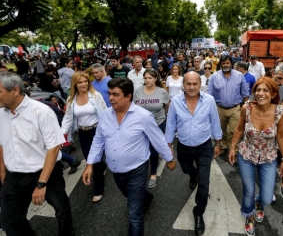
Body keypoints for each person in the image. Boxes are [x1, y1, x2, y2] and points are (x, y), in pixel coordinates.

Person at [82, 77, 176, 236]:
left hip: (137, 170)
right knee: (131, 195)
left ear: (128, 96)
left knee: (134, 214)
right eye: (110, 94)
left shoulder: (143, 116)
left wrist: (169, 159)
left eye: (116, 94)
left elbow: (158, 139)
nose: (111, 98)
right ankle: (145, 197)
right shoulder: (105, 115)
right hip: (116, 172)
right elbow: (98, 140)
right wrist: (90, 163)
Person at [0, 72, 75, 235]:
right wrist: (2, 171)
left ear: (14, 90)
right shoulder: (1, 113)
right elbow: (1, 143)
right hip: (13, 176)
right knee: (10, 223)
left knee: (61, 209)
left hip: (44, 173)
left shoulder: (41, 111)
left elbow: (54, 148)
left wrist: (41, 184)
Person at [227, 77, 283, 236]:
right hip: (246, 156)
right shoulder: (247, 108)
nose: (260, 93)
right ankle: (250, 215)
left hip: (268, 159)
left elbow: (281, 136)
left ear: (273, 93)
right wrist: (232, 148)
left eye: (265, 90)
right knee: (248, 191)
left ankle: (259, 205)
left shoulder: (279, 111)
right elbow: (239, 129)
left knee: (267, 198)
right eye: (258, 90)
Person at [165, 71, 223, 236]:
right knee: (186, 169)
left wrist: (218, 143)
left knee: (204, 185)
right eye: (188, 84)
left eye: (195, 84)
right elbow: (170, 125)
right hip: (183, 147)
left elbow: (214, 121)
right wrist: (168, 147)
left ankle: (199, 212)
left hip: (204, 147)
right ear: (183, 85)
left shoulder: (209, 100)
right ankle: (192, 174)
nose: (191, 87)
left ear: (200, 84)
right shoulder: (175, 102)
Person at [61, 72, 107, 203]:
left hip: (97, 131)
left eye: (86, 81)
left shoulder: (96, 96)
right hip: (83, 133)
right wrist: (60, 137)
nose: (83, 84)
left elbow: (105, 113)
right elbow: (67, 119)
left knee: (95, 161)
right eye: (80, 82)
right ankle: (101, 168)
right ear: (75, 84)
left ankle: (99, 189)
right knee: (89, 159)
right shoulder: (71, 100)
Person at [134, 70, 169, 188]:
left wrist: (164, 117)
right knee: (143, 148)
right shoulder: (138, 91)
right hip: (141, 125)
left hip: (158, 123)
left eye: (150, 78)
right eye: (145, 78)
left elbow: (166, 106)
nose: (147, 80)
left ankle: (153, 174)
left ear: (155, 79)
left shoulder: (162, 92)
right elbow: (133, 107)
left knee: (153, 149)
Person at [208, 55, 250, 155]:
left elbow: (245, 93)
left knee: (233, 131)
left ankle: (233, 150)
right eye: (223, 63)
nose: (225, 65)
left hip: (235, 108)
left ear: (231, 63)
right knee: (220, 130)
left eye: (227, 63)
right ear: (220, 64)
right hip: (219, 109)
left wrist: (247, 110)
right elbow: (209, 94)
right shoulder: (214, 77)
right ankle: (223, 146)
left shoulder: (239, 76)